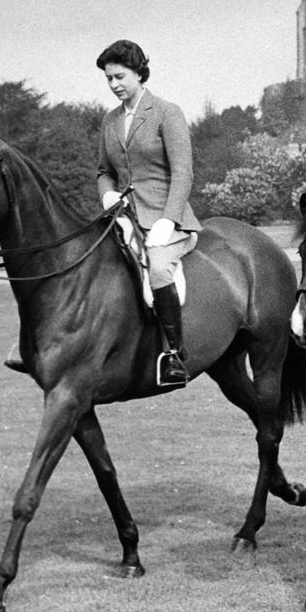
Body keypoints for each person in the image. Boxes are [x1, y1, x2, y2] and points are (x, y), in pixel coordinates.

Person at [96, 39, 201, 388]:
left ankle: (174, 355)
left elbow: (183, 172)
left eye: (120, 76)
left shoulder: (166, 112)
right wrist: (107, 192)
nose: (114, 85)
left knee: (158, 269)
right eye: (109, 79)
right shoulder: (109, 121)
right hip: (123, 216)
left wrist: (168, 220)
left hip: (166, 218)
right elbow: (103, 170)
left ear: (140, 73)